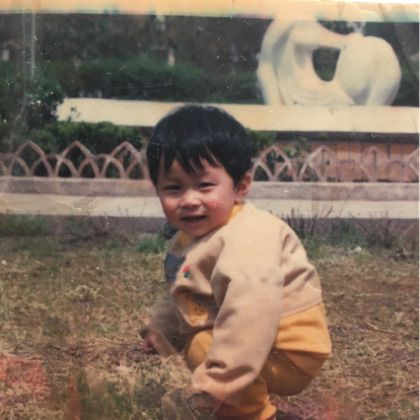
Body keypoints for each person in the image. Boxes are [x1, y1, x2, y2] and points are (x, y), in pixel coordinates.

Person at [142, 104, 331, 419]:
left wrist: (214, 386)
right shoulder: (190, 238)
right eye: (173, 188)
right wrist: (160, 330)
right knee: (201, 343)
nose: (189, 200)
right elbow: (183, 291)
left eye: (204, 185)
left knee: (202, 346)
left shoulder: (248, 237)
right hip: (260, 337)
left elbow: (251, 316)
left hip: (289, 349)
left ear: (240, 186)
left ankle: (256, 414)